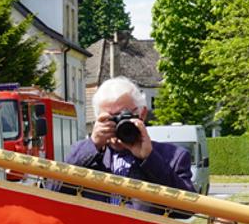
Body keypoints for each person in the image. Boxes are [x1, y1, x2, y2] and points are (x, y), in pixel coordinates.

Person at [64, 76, 195, 210]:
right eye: (110, 119)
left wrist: (149, 158)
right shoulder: (85, 155)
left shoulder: (172, 157)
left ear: (142, 114)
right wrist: (93, 144)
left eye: (124, 116)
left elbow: (187, 208)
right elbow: (55, 190)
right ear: (98, 120)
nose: (118, 125)